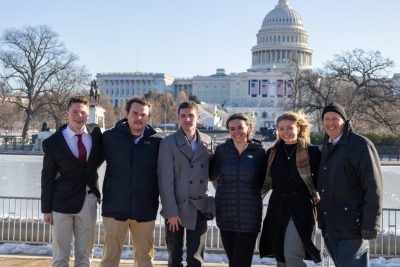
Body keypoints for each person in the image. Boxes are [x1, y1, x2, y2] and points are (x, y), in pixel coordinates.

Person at [317, 102, 383, 267]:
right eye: (326, 119)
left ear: (344, 121)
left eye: (335, 119)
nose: (330, 123)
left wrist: (371, 223)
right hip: (331, 225)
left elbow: (373, 186)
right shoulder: (326, 146)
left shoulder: (361, 145)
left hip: (353, 225)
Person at [100, 97, 161, 267]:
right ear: (126, 114)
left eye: (143, 115)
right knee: (109, 260)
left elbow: (166, 174)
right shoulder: (110, 138)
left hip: (145, 210)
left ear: (148, 118)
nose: (139, 118)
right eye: (135, 113)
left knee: (145, 260)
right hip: (114, 208)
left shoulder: (157, 142)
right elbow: (90, 164)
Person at [41, 96, 102, 267]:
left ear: (87, 115)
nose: (79, 115)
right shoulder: (53, 143)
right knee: (61, 257)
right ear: (67, 113)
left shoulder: (96, 134)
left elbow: (99, 158)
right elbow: (47, 177)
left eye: (83, 112)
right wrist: (46, 209)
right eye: (74, 111)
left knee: (85, 257)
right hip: (61, 203)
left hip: (88, 200)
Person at [259, 111, 321, 266]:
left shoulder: (312, 152)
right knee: (281, 258)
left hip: (301, 209)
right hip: (277, 209)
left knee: (292, 257)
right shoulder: (272, 153)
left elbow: (321, 181)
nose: (285, 132)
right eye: (281, 128)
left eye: (289, 128)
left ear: (298, 128)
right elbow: (264, 181)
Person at [158, 101, 214, 267]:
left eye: (191, 115)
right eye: (183, 116)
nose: (187, 119)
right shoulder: (168, 143)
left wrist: (213, 203)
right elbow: (165, 180)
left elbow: (214, 174)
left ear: (198, 117)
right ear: (178, 118)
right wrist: (171, 212)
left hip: (199, 207)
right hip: (175, 208)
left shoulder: (208, 141)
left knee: (196, 259)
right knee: (174, 258)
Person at [209, 113, 266, 267]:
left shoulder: (259, 152)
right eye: (232, 128)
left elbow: (264, 183)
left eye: (240, 127)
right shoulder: (221, 151)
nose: (236, 132)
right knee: (233, 262)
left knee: (241, 263)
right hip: (226, 215)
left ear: (248, 127)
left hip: (249, 218)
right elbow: (211, 175)